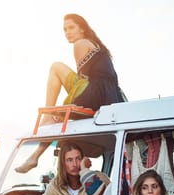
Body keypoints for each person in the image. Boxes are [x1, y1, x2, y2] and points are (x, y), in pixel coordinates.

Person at [15, 13, 124, 173]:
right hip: (108, 96)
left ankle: (46, 118)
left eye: (71, 27)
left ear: (82, 29)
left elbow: (82, 80)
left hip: (94, 93)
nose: (67, 32)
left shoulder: (80, 44)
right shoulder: (97, 47)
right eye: (65, 29)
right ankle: (35, 156)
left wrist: (63, 106)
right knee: (58, 118)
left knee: (55, 67)